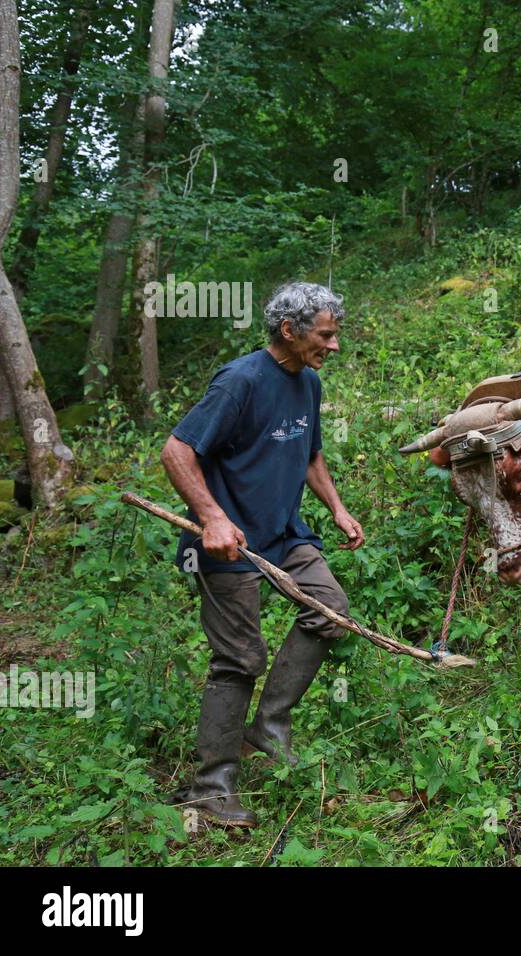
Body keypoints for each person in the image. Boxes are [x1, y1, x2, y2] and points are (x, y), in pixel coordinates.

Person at [162, 282, 364, 828]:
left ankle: (268, 729)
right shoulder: (240, 381)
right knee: (240, 659)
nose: (334, 345)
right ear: (289, 330)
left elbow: (309, 453)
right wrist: (212, 518)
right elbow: (177, 450)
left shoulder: (309, 383)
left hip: (282, 533)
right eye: (325, 335)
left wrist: (338, 509)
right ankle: (210, 789)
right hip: (226, 542)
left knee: (330, 609)